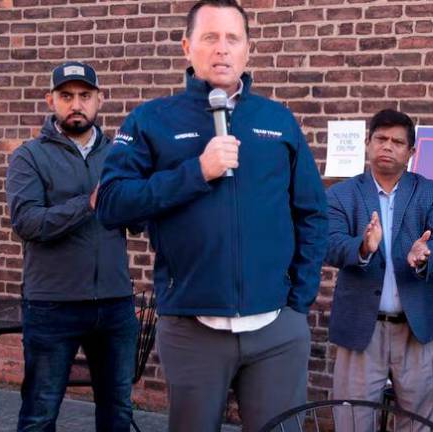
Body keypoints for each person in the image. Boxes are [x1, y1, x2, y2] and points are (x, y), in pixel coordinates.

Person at [96, 1, 328, 431]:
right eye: (209, 37)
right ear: (187, 47)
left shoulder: (277, 120)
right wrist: (195, 172)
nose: (222, 49)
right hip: (192, 328)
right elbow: (111, 203)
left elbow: (312, 213)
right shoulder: (151, 120)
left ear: (247, 50)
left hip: (276, 326)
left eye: (232, 38)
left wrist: (299, 300)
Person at [6, 61, 138, 432]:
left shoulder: (120, 156)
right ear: (51, 100)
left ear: (99, 100)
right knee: (39, 414)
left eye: (84, 96)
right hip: (52, 306)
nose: (75, 104)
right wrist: (90, 202)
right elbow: (28, 223)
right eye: (66, 96)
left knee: (117, 413)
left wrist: (144, 198)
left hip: (114, 305)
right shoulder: (29, 156)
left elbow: (138, 221)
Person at [325, 109, 433, 429]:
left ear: (411, 152)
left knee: (417, 421)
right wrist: (364, 246)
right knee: (352, 419)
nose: (387, 146)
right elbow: (329, 245)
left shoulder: (429, 191)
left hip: (416, 327)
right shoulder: (342, 195)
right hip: (360, 327)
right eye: (381, 139)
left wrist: (425, 254)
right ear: (368, 144)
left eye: (398, 142)